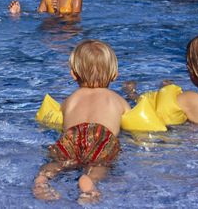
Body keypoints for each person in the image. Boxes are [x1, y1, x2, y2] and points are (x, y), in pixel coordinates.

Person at [33, 40, 131, 202]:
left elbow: (60, 120)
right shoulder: (117, 100)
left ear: (73, 74)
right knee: (100, 165)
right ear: (115, 75)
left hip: (72, 135)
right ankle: (89, 182)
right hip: (101, 135)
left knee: (57, 162)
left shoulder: (70, 100)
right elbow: (131, 122)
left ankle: (43, 179)